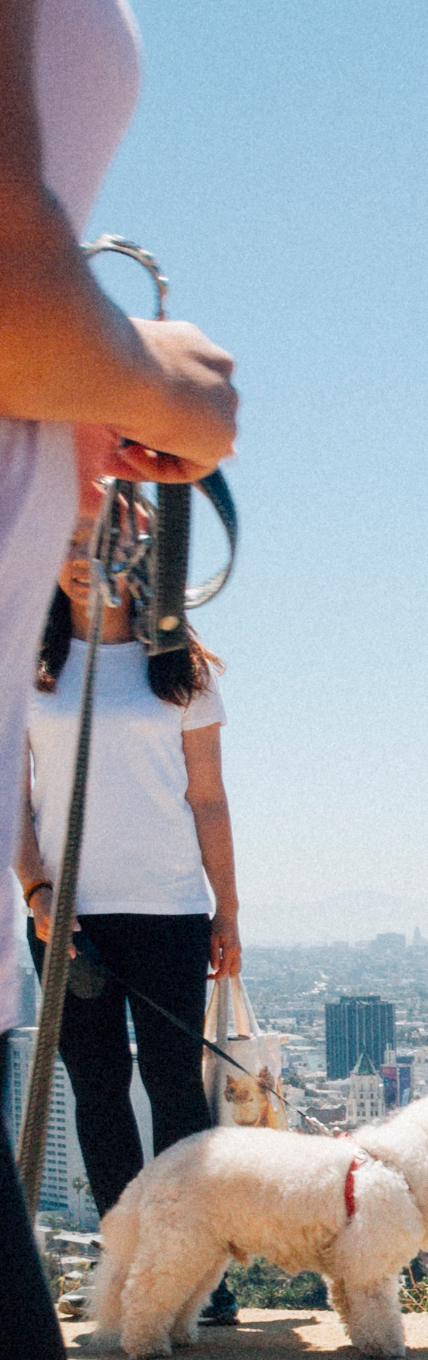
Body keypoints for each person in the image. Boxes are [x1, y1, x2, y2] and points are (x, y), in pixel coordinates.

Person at [0, 5, 238, 1360]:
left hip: (147, 899)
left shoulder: (165, 663)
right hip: (68, 897)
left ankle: (173, 1288)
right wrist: (158, 382)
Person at [19, 426, 240, 1278]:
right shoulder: (30, 664)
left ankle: (198, 1270)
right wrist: (38, 892)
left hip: (172, 909)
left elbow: (209, 798)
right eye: (72, 541)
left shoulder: (182, 666)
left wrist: (229, 910)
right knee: (99, 1091)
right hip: (69, 914)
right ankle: (132, 1266)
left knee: (178, 1092)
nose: (86, 558)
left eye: (104, 540)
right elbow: (12, 798)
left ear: (141, 548)